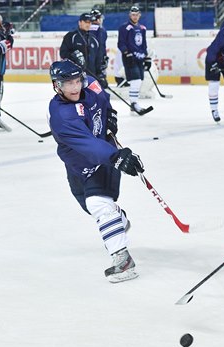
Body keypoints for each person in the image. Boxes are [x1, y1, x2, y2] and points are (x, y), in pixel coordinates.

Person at [47, 59, 145, 283]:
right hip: (79, 167)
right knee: (90, 207)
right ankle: (118, 220)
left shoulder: (90, 84)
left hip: (104, 161)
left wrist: (110, 115)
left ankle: (123, 261)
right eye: (67, 83)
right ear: (56, 85)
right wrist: (117, 157)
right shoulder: (62, 115)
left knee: (98, 204)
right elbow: (87, 144)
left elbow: (103, 98)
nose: (74, 87)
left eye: (76, 80)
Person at [117, 5, 150, 114]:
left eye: (136, 15)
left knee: (139, 81)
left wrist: (146, 57)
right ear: (130, 15)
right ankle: (134, 103)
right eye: (133, 15)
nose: (135, 17)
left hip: (140, 58)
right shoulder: (124, 27)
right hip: (130, 58)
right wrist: (127, 53)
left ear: (139, 15)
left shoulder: (142, 28)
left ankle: (133, 104)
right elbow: (121, 43)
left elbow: (144, 44)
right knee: (135, 80)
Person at [59, 13, 100, 77]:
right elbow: (63, 53)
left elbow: (97, 58)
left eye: (90, 22)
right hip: (74, 76)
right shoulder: (71, 36)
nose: (88, 24)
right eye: (86, 22)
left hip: (91, 76)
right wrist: (73, 56)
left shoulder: (94, 39)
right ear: (80, 22)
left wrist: (100, 74)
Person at [89, 9, 109, 87]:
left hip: (87, 61)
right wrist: (103, 58)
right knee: (100, 82)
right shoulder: (101, 30)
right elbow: (101, 46)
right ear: (97, 19)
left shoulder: (85, 29)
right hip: (98, 60)